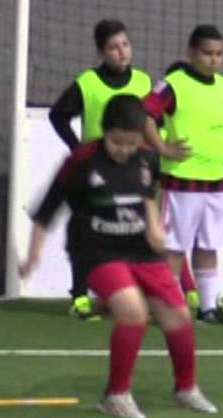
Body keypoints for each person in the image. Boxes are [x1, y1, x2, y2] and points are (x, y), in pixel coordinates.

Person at [20, 95, 216, 418]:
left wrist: (155, 228)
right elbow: (47, 211)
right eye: (116, 142)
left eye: (131, 143)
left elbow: (149, 194)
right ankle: (115, 395)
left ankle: (186, 389)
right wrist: (33, 256)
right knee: (133, 312)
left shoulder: (147, 159)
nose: (124, 150)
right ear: (104, 133)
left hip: (142, 250)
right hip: (95, 250)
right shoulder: (81, 161)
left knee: (178, 316)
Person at [47, 19, 154, 321]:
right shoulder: (88, 83)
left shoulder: (143, 82)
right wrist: (78, 149)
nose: (121, 52)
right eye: (113, 47)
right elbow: (59, 115)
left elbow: (151, 124)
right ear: (101, 52)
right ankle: (80, 298)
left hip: (129, 172)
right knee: (88, 235)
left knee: (127, 233)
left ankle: (117, 296)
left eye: (125, 44)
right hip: (93, 171)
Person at [141, 24, 223, 325]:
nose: (213, 60)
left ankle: (209, 307)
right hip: (183, 180)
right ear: (191, 52)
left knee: (209, 245)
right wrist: (162, 147)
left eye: (219, 54)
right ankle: (166, 306)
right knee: (174, 246)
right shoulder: (173, 84)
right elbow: (144, 112)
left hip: (216, 178)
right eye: (207, 53)